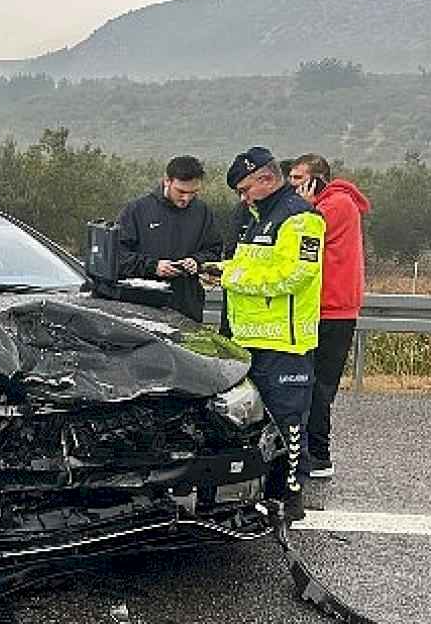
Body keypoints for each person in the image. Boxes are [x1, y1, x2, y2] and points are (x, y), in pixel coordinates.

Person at [208, 146, 325, 522]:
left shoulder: (301, 219)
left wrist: (231, 276)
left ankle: (291, 497)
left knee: (289, 423)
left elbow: (295, 275)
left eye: (245, 189)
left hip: (285, 342)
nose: (242, 198)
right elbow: (249, 265)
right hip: (247, 338)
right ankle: (252, 492)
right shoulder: (256, 217)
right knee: (249, 421)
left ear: (266, 179)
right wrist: (217, 269)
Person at [289, 153, 371, 479]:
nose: (290, 186)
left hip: (334, 308)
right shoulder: (331, 204)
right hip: (323, 306)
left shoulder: (335, 206)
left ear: (316, 180)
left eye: (297, 179)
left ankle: (319, 455)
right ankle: (311, 451)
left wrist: (303, 206)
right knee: (311, 382)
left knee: (320, 385)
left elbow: (302, 233)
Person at [115, 155, 223, 321]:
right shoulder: (137, 210)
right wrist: (154, 266)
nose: (186, 198)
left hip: (188, 308)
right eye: (181, 191)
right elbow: (118, 255)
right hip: (144, 308)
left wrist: (196, 261)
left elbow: (214, 250)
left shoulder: (203, 212)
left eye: (193, 193)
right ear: (167, 181)